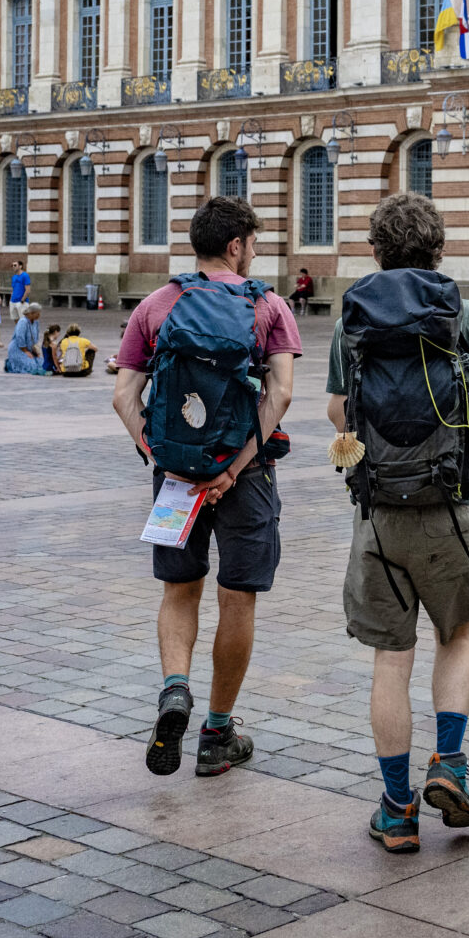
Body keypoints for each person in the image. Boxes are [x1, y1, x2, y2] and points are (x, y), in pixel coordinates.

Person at [325, 190, 469, 853]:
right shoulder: (465, 313)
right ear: (438, 249)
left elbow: (336, 412)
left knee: (389, 657)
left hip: (379, 511)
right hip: (449, 509)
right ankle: (451, 764)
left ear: (376, 250)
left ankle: (397, 810)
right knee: (455, 636)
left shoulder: (355, 318)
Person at [114, 196, 300, 781]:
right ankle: (217, 733)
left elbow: (123, 397)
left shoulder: (155, 305)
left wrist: (164, 458)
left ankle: (175, 690)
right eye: (253, 243)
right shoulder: (269, 306)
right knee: (236, 597)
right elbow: (282, 395)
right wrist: (233, 467)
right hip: (244, 479)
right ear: (236, 246)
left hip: (174, 480)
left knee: (179, 591)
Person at [4, 302, 51, 373]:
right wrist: (25, 351)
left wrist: (35, 350)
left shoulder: (36, 322)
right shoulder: (22, 322)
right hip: (18, 348)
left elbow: (35, 336)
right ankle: (10, 364)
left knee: (41, 364)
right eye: (37, 314)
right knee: (30, 366)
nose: (39, 315)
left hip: (29, 349)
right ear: (31, 313)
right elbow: (20, 337)